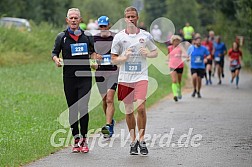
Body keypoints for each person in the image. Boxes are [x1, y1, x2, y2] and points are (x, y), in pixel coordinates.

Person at [111, 6, 158, 155]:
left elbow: (156, 52)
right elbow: (113, 60)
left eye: (133, 16)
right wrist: (123, 58)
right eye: (128, 17)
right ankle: (133, 140)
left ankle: (142, 139)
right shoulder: (119, 37)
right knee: (129, 110)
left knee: (141, 108)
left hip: (141, 76)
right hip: (125, 78)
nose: (131, 19)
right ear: (125, 19)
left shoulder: (146, 36)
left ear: (137, 18)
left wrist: (148, 54)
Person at [51, 8, 95, 153]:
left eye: (76, 18)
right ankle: (76, 139)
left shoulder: (87, 36)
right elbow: (54, 53)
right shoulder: (61, 37)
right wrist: (57, 60)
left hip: (85, 77)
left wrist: (94, 61)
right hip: (69, 78)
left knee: (83, 107)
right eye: (71, 18)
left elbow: (93, 52)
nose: (74, 20)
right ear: (67, 20)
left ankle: (84, 139)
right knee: (73, 109)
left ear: (80, 20)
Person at [93, 15, 118, 138]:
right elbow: (90, 54)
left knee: (109, 99)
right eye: (101, 26)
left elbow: (121, 52)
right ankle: (110, 121)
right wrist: (94, 58)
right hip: (100, 72)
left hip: (113, 72)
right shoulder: (94, 38)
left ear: (109, 25)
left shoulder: (115, 37)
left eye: (105, 26)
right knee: (104, 100)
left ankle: (108, 126)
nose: (103, 28)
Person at [167, 35, 185, 101]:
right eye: (175, 41)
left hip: (180, 65)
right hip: (172, 65)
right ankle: (175, 95)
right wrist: (167, 60)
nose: (176, 42)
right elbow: (168, 55)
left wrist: (184, 56)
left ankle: (179, 90)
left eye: (177, 41)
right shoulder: (169, 48)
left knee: (179, 81)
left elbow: (185, 54)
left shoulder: (180, 48)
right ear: (172, 41)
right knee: (174, 80)